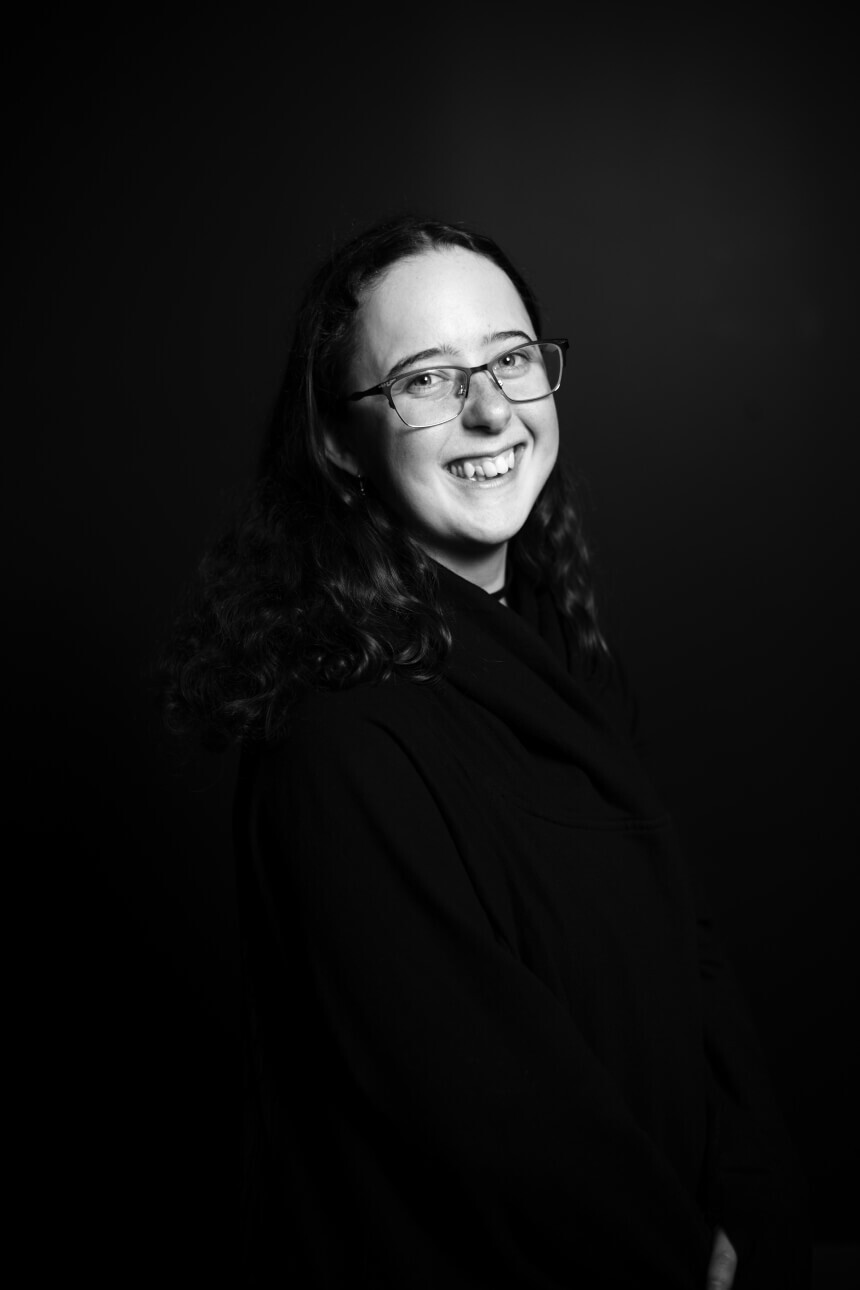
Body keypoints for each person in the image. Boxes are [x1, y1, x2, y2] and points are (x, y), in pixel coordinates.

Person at [162, 216, 810, 1286]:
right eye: (424, 379)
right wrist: (689, 1258)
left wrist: (755, 1207)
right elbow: (481, 1103)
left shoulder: (560, 657)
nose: (488, 409)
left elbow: (686, 954)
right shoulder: (334, 738)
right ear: (338, 442)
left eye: (511, 361)